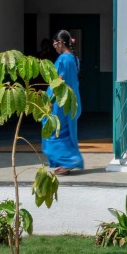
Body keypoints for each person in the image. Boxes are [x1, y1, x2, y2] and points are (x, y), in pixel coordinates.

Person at [43, 30, 83, 174]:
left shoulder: (64, 59)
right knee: (65, 132)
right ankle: (67, 162)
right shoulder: (74, 58)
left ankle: (69, 162)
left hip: (61, 103)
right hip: (70, 102)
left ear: (60, 42)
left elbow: (60, 81)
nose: (54, 47)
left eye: (55, 44)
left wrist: (52, 100)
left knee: (56, 131)